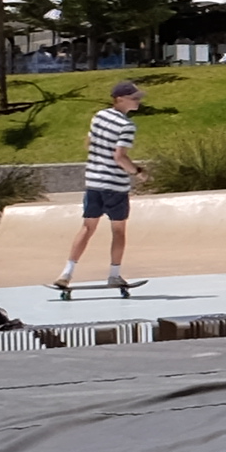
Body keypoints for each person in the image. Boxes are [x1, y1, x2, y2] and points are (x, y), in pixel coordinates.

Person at [56, 77, 148, 299]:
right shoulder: (127, 126)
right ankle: (114, 274)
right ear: (120, 99)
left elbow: (88, 142)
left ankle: (66, 273)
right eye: (134, 98)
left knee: (87, 227)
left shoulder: (99, 116)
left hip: (93, 182)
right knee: (118, 231)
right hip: (115, 185)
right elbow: (120, 157)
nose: (138, 101)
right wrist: (138, 171)